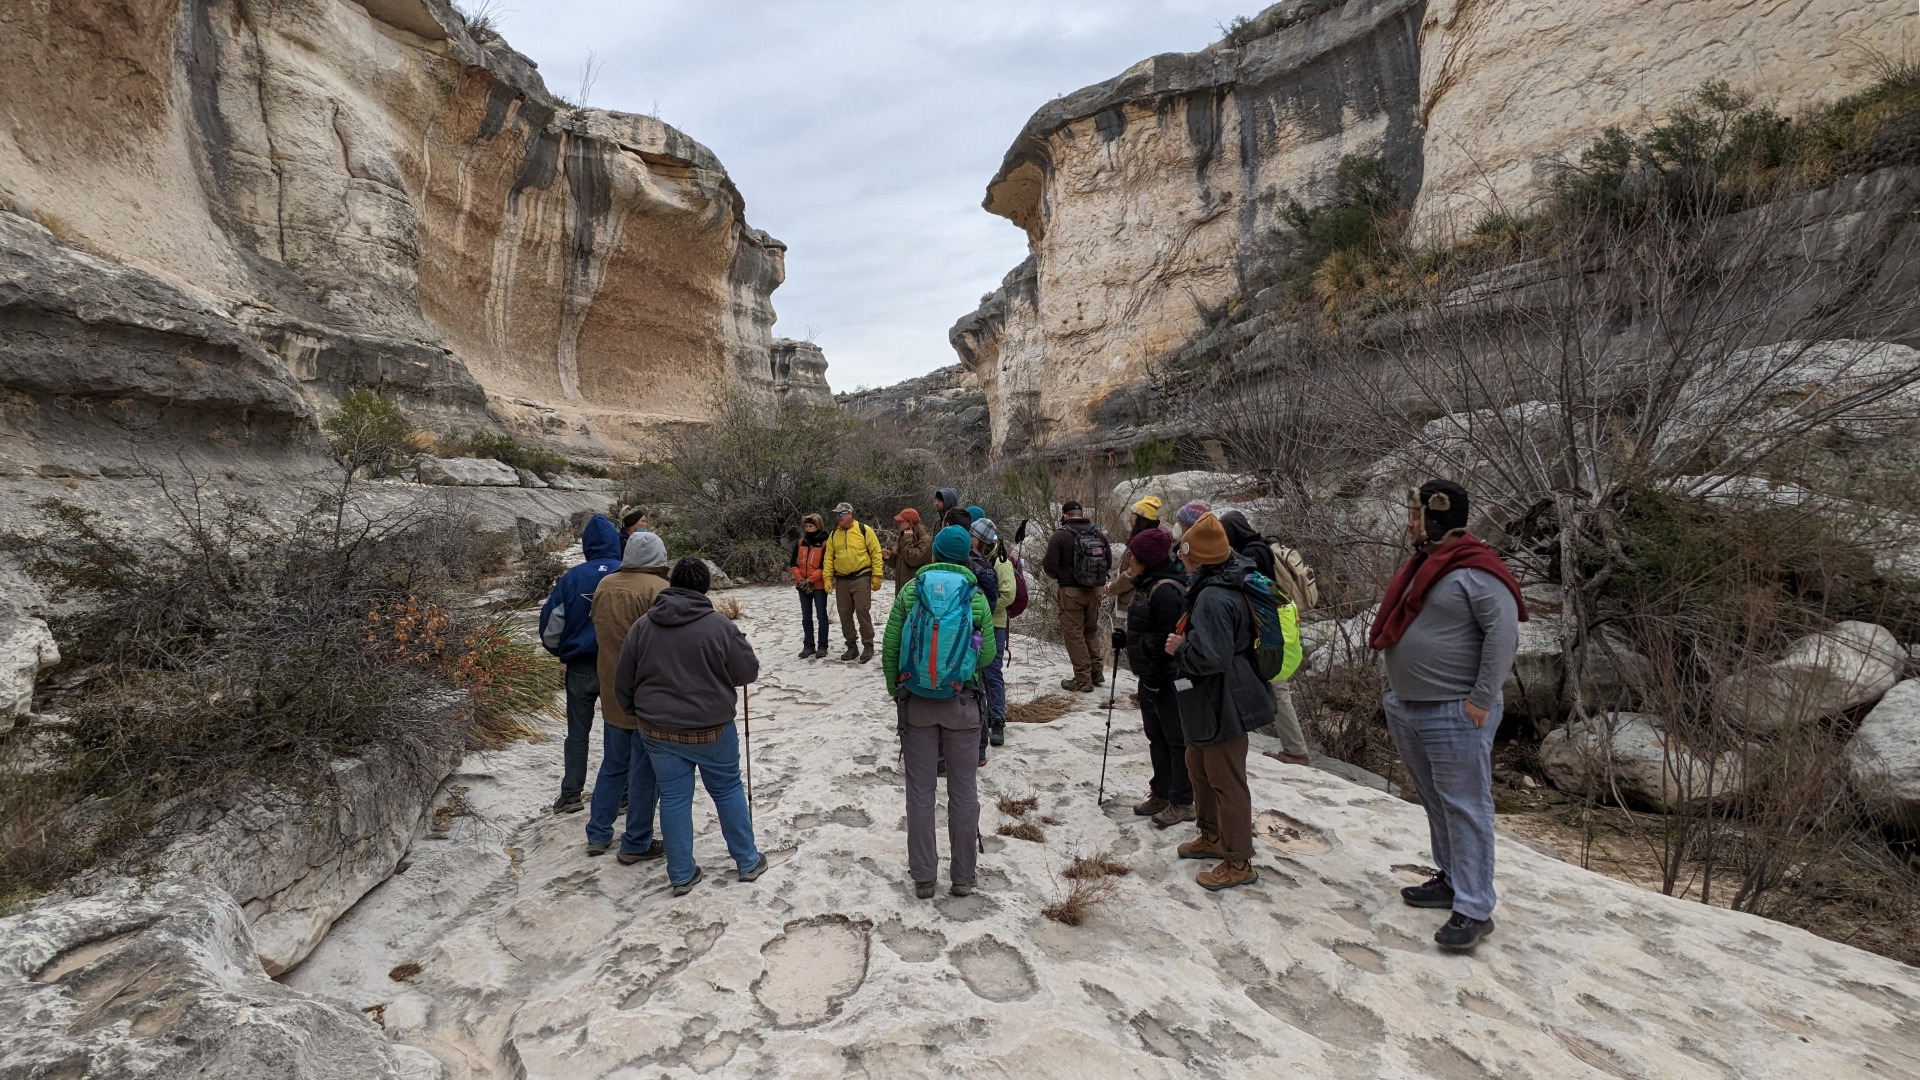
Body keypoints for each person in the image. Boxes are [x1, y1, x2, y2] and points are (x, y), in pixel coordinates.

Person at [1368, 480, 1525, 952]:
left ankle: (1475, 907)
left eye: (1415, 515)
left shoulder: (1478, 571)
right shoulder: (1427, 565)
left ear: (1436, 518)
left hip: (1455, 710)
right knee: (1437, 801)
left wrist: (1480, 698)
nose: (1409, 523)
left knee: (1465, 806)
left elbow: (1503, 636)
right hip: (1411, 705)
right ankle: (1453, 879)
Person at [615, 558, 766, 897]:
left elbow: (623, 680)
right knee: (727, 790)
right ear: (705, 587)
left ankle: (682, 875)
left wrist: (638, 716)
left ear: (671, 583)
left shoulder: (643, 626)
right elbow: (747, 673)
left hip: (657, 731)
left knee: (673, 797)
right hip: (712, 729)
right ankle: (747, 862)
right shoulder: (720, 626)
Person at [882, 525, 998, 899]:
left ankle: (924, 877)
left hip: (916, 704)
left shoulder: (911, 591)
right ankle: (963, 877)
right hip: (962, 705)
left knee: (920, 791)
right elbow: (988, 655)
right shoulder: (976, 597)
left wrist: (897, 693)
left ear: (934, 555)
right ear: (967, 557)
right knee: (963, 791)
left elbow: (890, 648)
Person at [1164, 512, 1275, 891]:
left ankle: (1238, 860)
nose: (1181, 559)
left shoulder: (1212, 596)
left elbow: (1212, 656)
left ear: (1199, 559)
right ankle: (1210, 837)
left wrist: (1182, 647)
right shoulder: (1220, 581)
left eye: (1186, 554)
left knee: (1226, 781)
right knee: (1199, 766)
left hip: (1224, 700)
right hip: (1209, 701)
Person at [585, 530, 669, 861]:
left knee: (613, 765)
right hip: (647, 694)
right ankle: (636, 840)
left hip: (610, 688)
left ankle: (598, 832)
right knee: (645, 771)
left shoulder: (605, 586)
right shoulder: (659, 590)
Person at [537, 514, 623, 814]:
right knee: (619, 729)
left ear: (586, 545)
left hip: (580, 667)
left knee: (577, 733)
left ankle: (571, 794)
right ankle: (624, 794)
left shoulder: (571, 578)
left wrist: (562, 651)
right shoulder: (627, 573)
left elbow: (551, 627)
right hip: (618, 665)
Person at [1219, 510, 1312, 766]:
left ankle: (1296, 751)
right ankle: (1291, 747)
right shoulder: (1261, 546)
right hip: (1274, 627)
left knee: (1278, 687)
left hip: (1270, 631)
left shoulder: (1252, 555)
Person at [1122, 527, 1192, 827]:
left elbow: (1167, 645)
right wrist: (1124, 641)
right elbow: (1148, 633)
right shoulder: (1149, 584)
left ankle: (1182, 800)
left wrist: (1151, 682)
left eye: (1134, 558)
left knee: (1175, 740)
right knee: (1157, 738)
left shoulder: (1165, 591)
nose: (1129, 563)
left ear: (1147, 560)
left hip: (1168, 678)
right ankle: (1161, 793)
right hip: (1152, 675)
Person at [1042, 500, 1111, 693]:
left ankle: (1082, 679)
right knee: (1090, 630)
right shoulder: (1098, 534)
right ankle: (1096, 672)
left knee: (1074, 635)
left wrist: (1062, 577)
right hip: (1096, 591)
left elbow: (1049, 566)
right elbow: (1109, 561)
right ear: (1081, 514)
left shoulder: (1061, 536)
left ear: (1065, 516)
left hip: (1071, 592)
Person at [970, 518, 1017, 747]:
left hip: (995, 624)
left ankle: (997, 719)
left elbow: (1008, 594)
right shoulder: (979, 558)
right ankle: (983, 715)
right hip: (980, 622)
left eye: (973, 536)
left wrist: (985, 607)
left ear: (980, 540)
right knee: (978, 670)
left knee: (992, 671)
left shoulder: (1001, 562)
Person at [823, 501, 884, 663]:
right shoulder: (833, 535)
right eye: (837, 514)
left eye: (841, 514)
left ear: (850, 514)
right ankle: (851, 645)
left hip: (861, 577)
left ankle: (868, 645)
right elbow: (828, 558)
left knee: (862, 611)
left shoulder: (864, 530)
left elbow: (876, 552)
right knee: (844, 614)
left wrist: (877, 575)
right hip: (842, 579)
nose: (838, 517)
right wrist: (827, 578)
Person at [1105, 496, 1167, 635]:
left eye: (1132, 515)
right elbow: (1125, 566)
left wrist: (1113, 587)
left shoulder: (1146, 543)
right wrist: (1112, 581)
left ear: (1141, 518)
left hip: (1137, 602)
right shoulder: (1145, 539)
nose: (1129, 518)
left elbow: (1132, 572)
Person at [790, 514, 830, 659]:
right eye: (806, 526)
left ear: (818, 526)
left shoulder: (825, 543)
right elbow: (793, 563)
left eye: (811, 526)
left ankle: (822, 646)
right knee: (806, 616)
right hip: (802, 585)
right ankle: (808, 645)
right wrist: (800, 579)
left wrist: (811, 580)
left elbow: (825, 565)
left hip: (818, 585)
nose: (808, 528)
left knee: (821, 615)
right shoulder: (801, 542)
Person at [884, 508, 932, 591]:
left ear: (910, 523)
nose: (898, 524)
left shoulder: (925, 540)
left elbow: (914, 560)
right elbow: (902, 562)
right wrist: (890, 557)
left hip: (914, 590)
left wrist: (907, 541)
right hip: (901, 591)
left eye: (901, 521)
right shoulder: (905, 538)